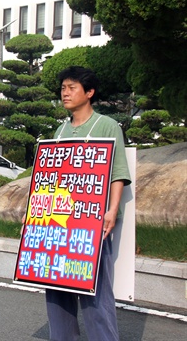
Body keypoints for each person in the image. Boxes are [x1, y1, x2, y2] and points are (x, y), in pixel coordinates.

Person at [44, 66, 131, 340]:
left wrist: (112, 210)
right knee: (56, 288)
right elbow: (49, 180)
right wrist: (37, 213)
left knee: (94, 292)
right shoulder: (59, 131)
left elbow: (118, 172)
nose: (65, 93)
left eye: (72, 88)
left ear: (89, 92)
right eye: (63, 88)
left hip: (90, 222)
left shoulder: (106, 126)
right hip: (57, 223)